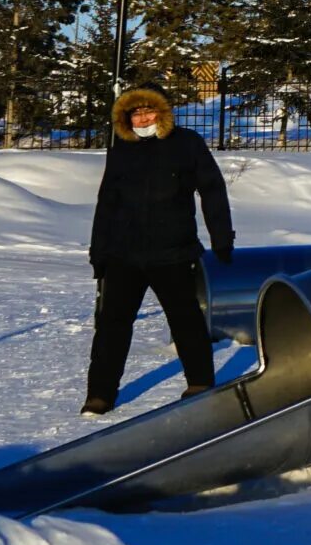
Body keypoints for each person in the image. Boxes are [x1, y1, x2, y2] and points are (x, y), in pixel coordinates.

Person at [83, 86, 234, 418]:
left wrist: (222, 237)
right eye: (136, 113)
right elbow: (107, 202)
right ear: (126, 117)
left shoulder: (186, 144)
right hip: (125, 255)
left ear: (163, 113)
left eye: (149, 111)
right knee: (112, 326)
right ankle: (100, 394)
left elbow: (212, 190)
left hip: (174, 253)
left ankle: (200, 383)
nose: (143, 118)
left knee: (186, 321)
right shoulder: (121, 149)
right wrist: (100, 251)